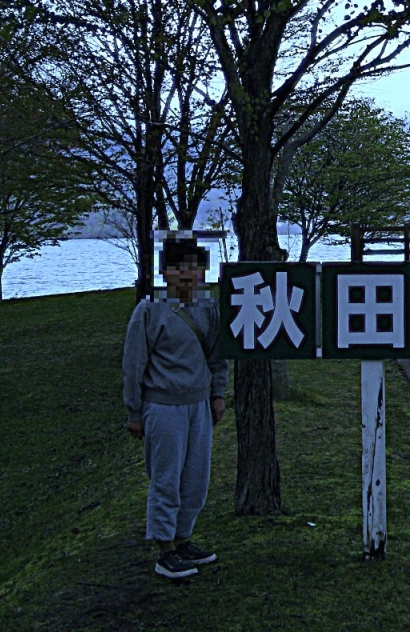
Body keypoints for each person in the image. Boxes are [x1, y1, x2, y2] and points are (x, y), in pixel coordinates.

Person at [122, 235, 228, 579]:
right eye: (179, 267)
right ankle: (164, 550)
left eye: (194, 267)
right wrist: (134, 412)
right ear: (165, 271)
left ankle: (184, 539)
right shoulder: (149, 310)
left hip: (198, 406)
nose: (187, 274)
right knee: (166, 479)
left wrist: (217, 394)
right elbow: (134, 364)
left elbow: (217, 356)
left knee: (196, 479)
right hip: (162, 407)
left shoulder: (208, 308)